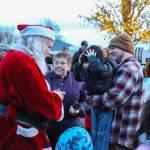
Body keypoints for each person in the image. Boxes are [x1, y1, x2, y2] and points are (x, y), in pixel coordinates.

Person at [0, 24, 65, 150]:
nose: (49, 51)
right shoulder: (23, 63)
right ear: (38, 42)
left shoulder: (14, 57)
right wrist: (57, 97)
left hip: (11, 128)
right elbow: (41, 103)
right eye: (48, 46)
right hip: (19, 134)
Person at [89, 34, 143, 150]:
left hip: (121, 137)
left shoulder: (128, 69)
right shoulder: (128, 66)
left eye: (113, 48)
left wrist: (91, 98)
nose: (110, 51)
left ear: (124, 48)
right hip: (122, 135)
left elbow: (111, 100)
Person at [73, 45, 117, 150]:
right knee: (94, 133)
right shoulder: (91, 68)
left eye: (86, 62)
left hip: (105, 107)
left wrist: (92, 59)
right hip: (94, 105)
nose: (85, 65)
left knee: (102, 134)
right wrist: (79, 63)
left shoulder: (108, 65)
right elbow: (77, 76)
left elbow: (99, 70)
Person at [45, 52, 87, 149]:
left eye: (63, 63)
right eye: (56, 62)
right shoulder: (46, 78)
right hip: (49, 126)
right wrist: (51, 96)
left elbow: (86, 101)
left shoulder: (77, 79)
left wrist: (79, 109)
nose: (59, 65)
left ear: (69, 66)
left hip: (70, 127)